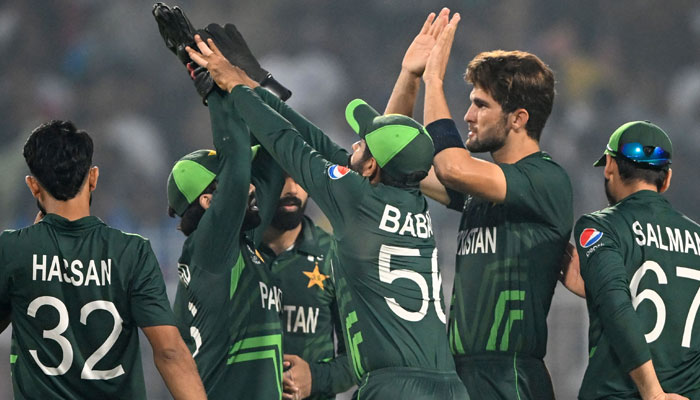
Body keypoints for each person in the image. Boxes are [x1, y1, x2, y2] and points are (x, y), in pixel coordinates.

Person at [187, 33, 469, 399]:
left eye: (362, 142)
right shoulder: (411, 198)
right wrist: (254, 86)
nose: (353, 143)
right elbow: (319, 141)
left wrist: (233, 86)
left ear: (370, 167)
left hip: (395, 386)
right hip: (448, 385)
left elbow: (286, 142)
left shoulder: (354, 197)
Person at [386, 10, 573, 399]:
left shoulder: (545, 180)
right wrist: (411, 76)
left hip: (512, 378)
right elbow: (392, 158)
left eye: (480, 105)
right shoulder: (481, 188)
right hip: (462, 376)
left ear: (518, 118)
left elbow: (452, 167)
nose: (468, 116)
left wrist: (436, 79)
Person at [0, 120, 206, 399]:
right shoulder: (132, 252)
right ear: (93, 177)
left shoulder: (12, 249)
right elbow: (169, 352)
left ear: (33, 186)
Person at [166, 87, 288, 398]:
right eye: (235, 181)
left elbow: (273, 163)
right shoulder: (209, 248)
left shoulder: (236, 246)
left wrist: (252, 89)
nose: (250, 186)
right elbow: (236, 174)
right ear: (207, 201)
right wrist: (216, 92)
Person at [573, 121, 697, 400]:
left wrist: (654, 394)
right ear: (666, 179)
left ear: (609, 166)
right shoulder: (697, 237)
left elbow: (617, 308)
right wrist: (591, 288)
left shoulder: (600, 226)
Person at [260, 175, 355, 399]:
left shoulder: (336, 256)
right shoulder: (233, 254)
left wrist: (315, 378)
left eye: (299, 177)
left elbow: (361, 356)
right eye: (281, 178)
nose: (292, 189)